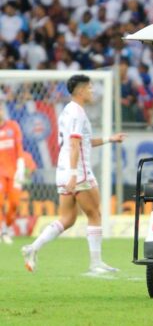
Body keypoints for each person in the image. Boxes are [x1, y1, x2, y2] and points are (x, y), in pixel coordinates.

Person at [21, 75, 126, 274]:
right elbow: (75, 144)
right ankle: (96, 263)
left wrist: (110, 139)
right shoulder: (77, 113)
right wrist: (73, 175)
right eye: (89, 88)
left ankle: (33, 248)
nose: (92, 91)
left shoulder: (67, 111)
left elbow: (83, 141)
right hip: (77, 171)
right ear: (80, 91)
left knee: (68, 218)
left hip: (64, 169)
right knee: (95, 214)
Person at [0, 103, 25, 244]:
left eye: (0, 108)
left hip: (14, 172)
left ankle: (7, 227)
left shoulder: (13, 126)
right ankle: (2, 231)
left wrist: (20, 168)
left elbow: (19, 149)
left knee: (15, 203)